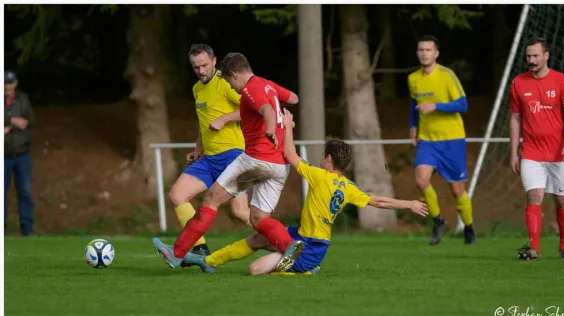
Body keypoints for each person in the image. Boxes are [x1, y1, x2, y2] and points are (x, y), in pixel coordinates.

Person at [170, 110, 429, 275]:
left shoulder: (320, 176)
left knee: (255, 269)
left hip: (311, 248)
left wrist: (289, 125)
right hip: (301, 234)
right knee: (258, 237)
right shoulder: (347, 187)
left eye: (322, 156)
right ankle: (210, 262)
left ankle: (305, 269)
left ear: (328, 159)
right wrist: (408, 203)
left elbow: (290, 155)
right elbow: (378, 201)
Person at [153, 52, 304, 272]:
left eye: (231, 82)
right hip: (279, 165)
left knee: (212, 199)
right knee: (258, 217)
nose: (233, 88)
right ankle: (289, 246)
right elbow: (293, 98)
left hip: (255, 158)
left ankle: (177, 254)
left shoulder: (251, 88)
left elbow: (267, 110)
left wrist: (270, 128)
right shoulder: (266, 85)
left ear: (234, 74)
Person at [167, 44, 251, 262]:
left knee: (241, 212)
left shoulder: (225, 83)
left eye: (204, 65)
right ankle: (199, 249)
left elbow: (251, 108)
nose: (201, 71)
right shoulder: (197, 89)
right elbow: (204, 123)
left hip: (233, 156)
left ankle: (285, 240)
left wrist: (224, 119)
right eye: (196, 67)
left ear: (214, 61)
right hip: (209, 159)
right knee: (177, 195)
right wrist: (198, 148)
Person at [509, 37, 564, 260]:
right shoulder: (519, 83)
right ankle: (534, 249)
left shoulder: (561, 81)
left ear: (546, 56)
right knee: (535, 196)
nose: (531, 60)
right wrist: (513, 152)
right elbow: (515, 118)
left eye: (536, 55)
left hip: (558, 153)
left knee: (561, 200)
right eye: (528, 56)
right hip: (531, 153)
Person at [407, 35, 475, 245]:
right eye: (421, 50)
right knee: (421, 180)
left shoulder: (447, 75)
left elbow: (463, 105)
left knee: (457, 191)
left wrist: (436, 106)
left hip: (452, 140)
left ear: (436, 53)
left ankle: (469, 228)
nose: (424, 53)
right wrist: (413, 127)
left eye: (428, 50)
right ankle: (438, 221)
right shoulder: (413, 78)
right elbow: (413, 104)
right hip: (427, 140)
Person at [4, 70, 35, 236]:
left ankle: (27, 230)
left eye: (9, 83)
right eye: (4, 83)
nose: (7, 86)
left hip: (22, 154)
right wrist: (12, 120)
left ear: (15, 83)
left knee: (25, 192)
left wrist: (12, 126)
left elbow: (30, 121)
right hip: (3, 156)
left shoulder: (22, 100)